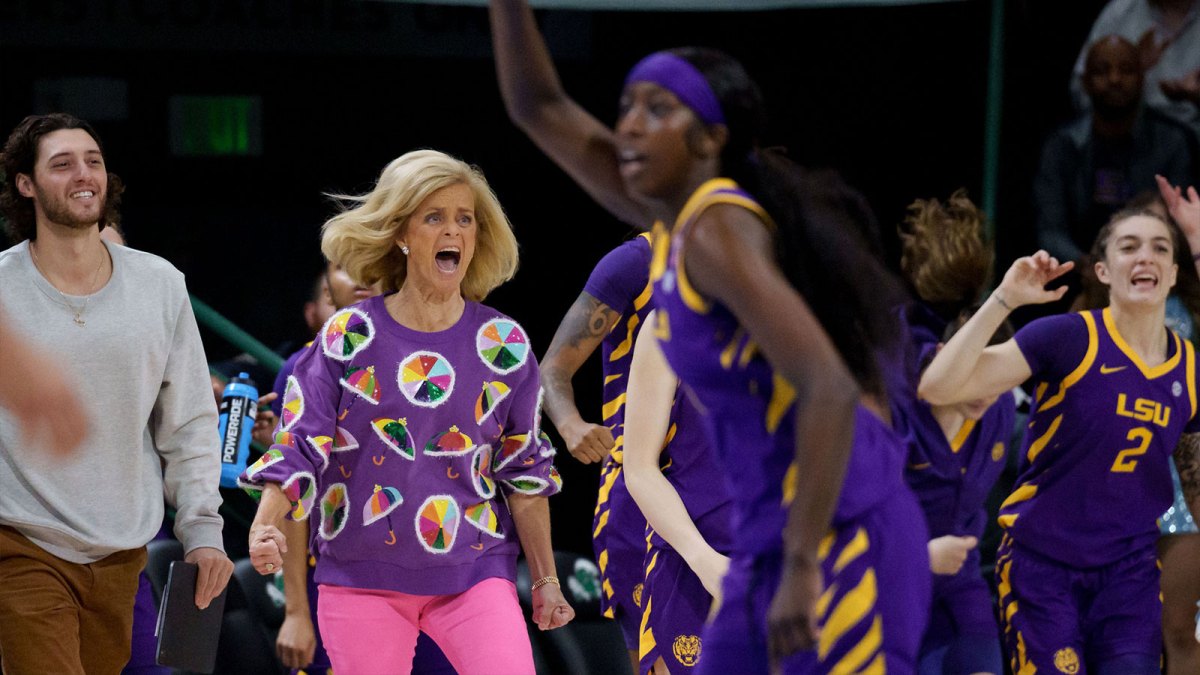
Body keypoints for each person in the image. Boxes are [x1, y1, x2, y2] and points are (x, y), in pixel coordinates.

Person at [490, 2, 930, 671]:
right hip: (763, 538)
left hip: (842, 531)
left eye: (657, 108)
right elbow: (537, 106)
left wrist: (803, 563)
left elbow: (830, 389)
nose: (629, 122)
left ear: (709, 140)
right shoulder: (673, 223)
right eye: (627, 104)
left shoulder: (719, 234)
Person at [243, 149, 574, 674]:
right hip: (360, 574)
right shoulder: (348, 335)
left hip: (475, 570)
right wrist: (265, 525)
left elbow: (525, 471)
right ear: (401, 234)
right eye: (435, 217)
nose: (454, 231)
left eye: (465, 218)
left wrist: (546, 580)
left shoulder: (502, 342)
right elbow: (298, 446)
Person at [919, 194, 1200, 672]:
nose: (1145, 257)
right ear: (1103, 271)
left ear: (1174, 273)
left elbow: (1192, 479)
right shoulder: (1065, 338)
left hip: (1127, 574)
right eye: (1129, 247)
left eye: (1160, 249)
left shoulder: (1191, 370)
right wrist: (1004, 299)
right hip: (1040, 567)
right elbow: (938, 387)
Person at [0, 112, 233, 674]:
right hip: (20, 543)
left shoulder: (160, 284)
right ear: (25, 185)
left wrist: (203, 529)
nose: (84, 174)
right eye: (62, 164)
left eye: (94, 161)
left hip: (121, 553)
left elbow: (190, 423)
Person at [895, 191, 1012, 675]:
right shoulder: (896, 412)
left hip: (961, 587)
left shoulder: (1002, 413)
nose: (985, 392)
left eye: (995, 378)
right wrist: (918, 556)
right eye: (973, 375)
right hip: (890, 579)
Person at [539, 232, 653, 672]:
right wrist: (571, 425)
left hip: (731, 488)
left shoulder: (759, 261)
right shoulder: (634, 263)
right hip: (642, 491)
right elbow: (552, 371)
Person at [622, 308, 733, 674]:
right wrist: (706, 562)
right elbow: (639, 468)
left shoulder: (819, 320)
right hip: (694, 564)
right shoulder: (668, 326)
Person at [1037, 34, 1196, 271]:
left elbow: (1182, 227)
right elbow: (1050, 231)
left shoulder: (1173, 142)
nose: (1114, 79)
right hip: (1080, 277)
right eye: (1102, 70)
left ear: (1142, 78)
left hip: (1155, 273)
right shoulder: (1063, 145)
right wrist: (1090, 267)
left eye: (1126, 70)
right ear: (1085, 82)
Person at [1070, 0, 1200, 132]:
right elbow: (1080, 88)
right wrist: (1132, 69)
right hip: (1123, 133)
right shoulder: (1120, 10)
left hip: (1192, 135)